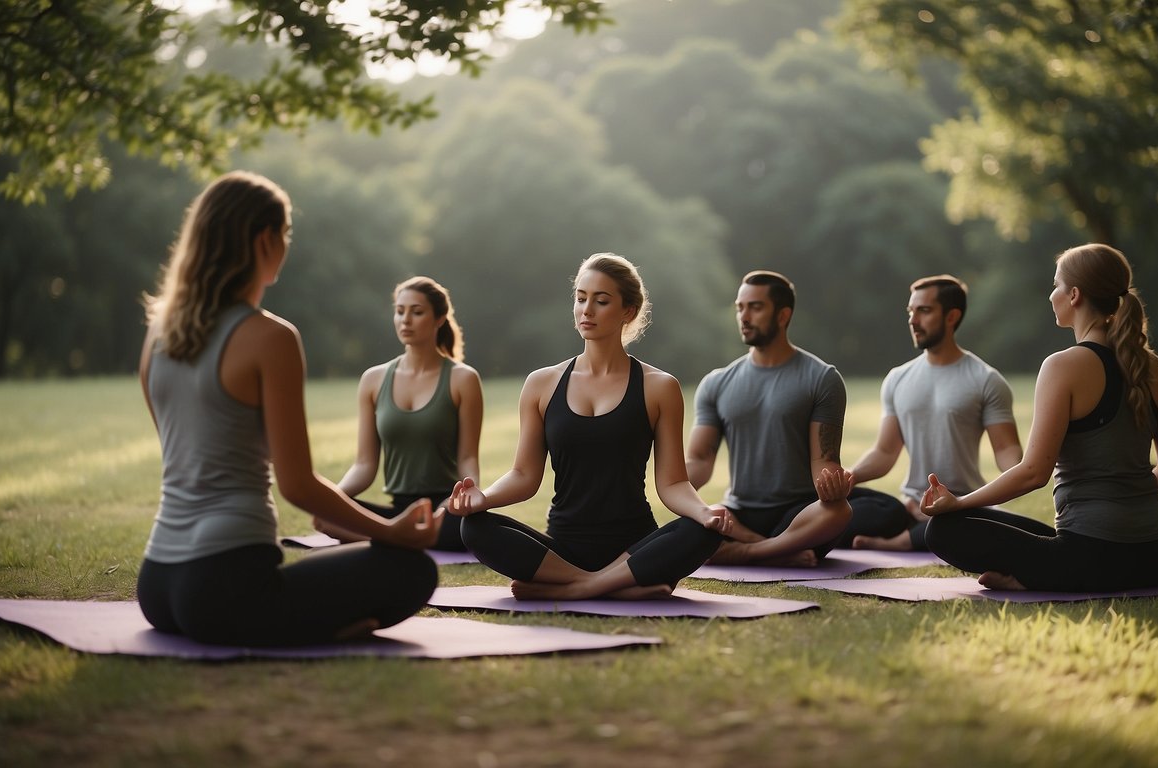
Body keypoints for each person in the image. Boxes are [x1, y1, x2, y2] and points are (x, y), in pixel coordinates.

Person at [136, 171, 439, 646]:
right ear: (264, 241)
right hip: (226, 588)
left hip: (157, 584)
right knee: (410, 570)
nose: (287, 244)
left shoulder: (158, 334)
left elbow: (192, 450)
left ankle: (308, 619)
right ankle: (323, 627)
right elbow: (296, 484)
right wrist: (389, 531)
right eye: (286, 234)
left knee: (326, 572)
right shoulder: (269, 337)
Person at [448, 253, 730, 600]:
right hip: (564, 547)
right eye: (581, 298)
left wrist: (705, 512)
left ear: (628, 311)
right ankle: (613, 586)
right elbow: (524, 475)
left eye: (601, 300)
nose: (587, 310)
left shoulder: (660, 387)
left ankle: (578, 588)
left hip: (633, 547)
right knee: (473, 527)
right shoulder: (542, 384)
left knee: (703, 531)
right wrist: (483, 497)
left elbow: (672, 483)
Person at [922, 243, 1158, 591]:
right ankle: (1041, 570)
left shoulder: (1062, 367)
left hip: (1091, 555)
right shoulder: (1157, 371)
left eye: (1056, 285)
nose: (1051, 295)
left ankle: (1035, 576)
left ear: (1074, 295)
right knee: (1037, 535)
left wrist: (958, 502)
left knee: (944, 528)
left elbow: (1033, 473)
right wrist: (1122, 492)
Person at [841, 275, 1023, 551]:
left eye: (924, 311)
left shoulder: (986, 380)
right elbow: (885, 452)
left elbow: (1007, 451)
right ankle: (909, 533)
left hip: (963, 507)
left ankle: (898, 543)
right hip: (911, 506)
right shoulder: (897, 378)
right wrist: (850, 476)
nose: (913, 320)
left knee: (962, 526)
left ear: (952, 316)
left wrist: (1027, 470)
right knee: (864, 511)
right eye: (911, 312)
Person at [685, 270, 853, 567]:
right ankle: (774, 551)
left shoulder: (822, 378)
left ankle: (748, 552)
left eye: (755, 307)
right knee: (695, 519)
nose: (744, 316)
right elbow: (699, 460)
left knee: (839, 512)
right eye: (740, 307)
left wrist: (832, 486)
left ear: (783, 315)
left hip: (797, 513)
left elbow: (823, 461)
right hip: (737, 514)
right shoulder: (716, 383)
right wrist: (677, 490)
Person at [313, 276, 483, 551]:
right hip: (396, 512)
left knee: (475, 528)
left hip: (444, 508)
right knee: (325, 517)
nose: (405, 320)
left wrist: (463, 497)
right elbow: (364, 466)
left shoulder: (463, 379)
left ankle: (397, 540)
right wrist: (334, 499)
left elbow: (467, 458)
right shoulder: (373, 379)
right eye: (400, 311)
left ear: (439, 319)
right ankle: (402, 536)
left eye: (417, 312)